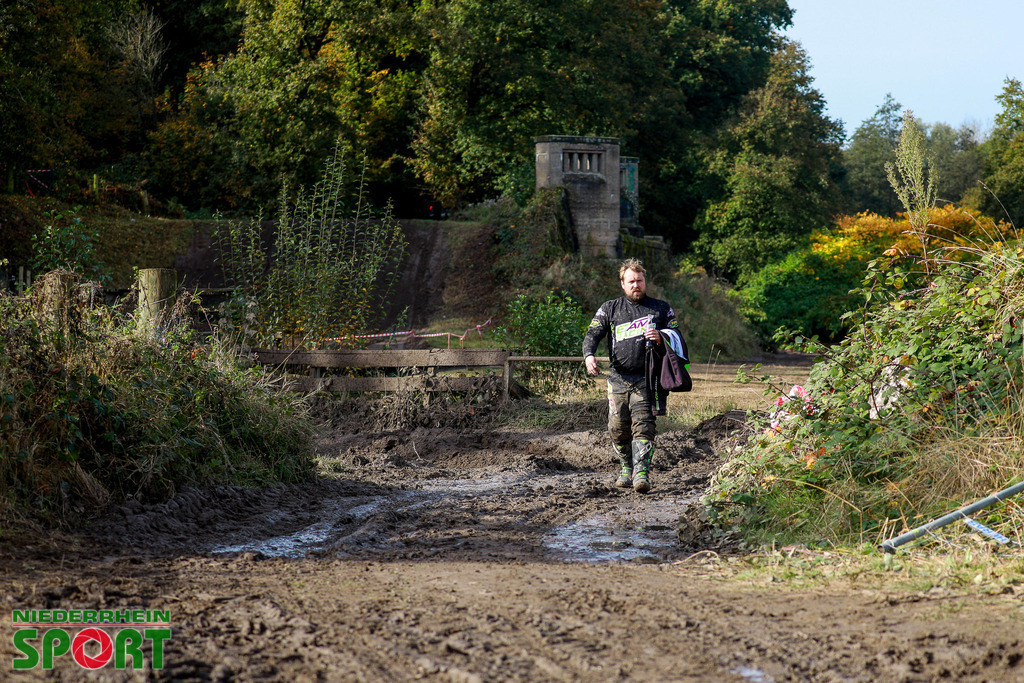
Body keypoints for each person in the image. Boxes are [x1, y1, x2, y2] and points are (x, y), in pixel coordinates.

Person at [582, 258, 679, 493]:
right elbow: (592, 334)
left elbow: (677, 337)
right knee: (617, 428)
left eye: (640, 280)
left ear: (645, 281)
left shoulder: (661, 308)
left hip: (648, 378)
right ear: (623, 284)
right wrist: (589, 356)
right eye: (631, 281)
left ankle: (641, 473)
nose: (636, 285)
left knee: (643, 426)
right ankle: (626, 467)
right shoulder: (610, 308)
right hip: (617, 378)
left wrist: (662, 337)